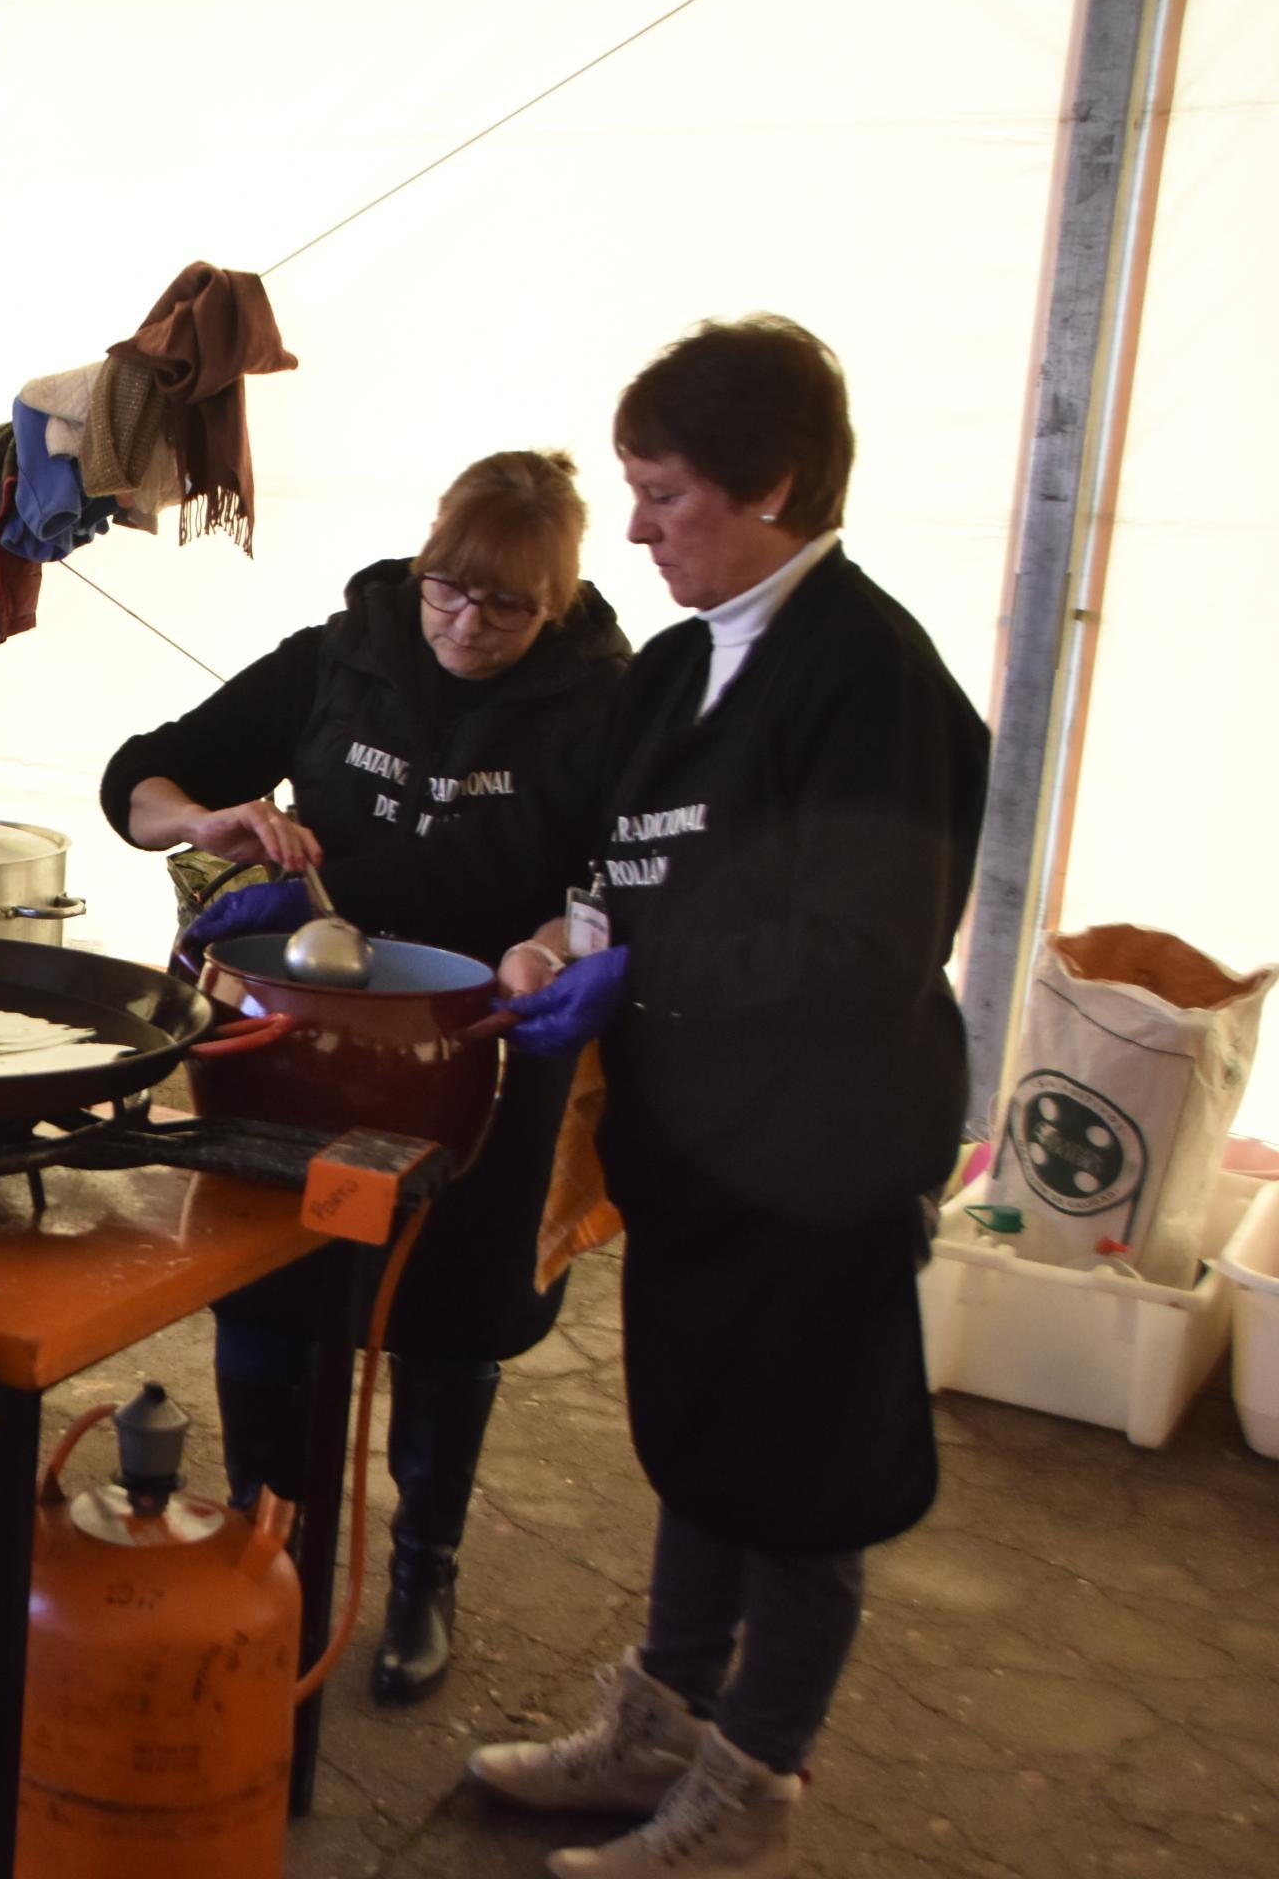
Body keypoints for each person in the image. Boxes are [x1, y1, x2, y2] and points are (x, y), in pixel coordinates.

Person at [468, 318, 988, 1878]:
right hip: (699, 1147)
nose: (632, 528)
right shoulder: (685, 662)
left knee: (803, 1479)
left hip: (821, 1158)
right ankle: (657, 1723)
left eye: (663, 494)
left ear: (770, 484)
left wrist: (650, 976)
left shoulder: (874, 682)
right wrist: (568, 933)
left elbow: (864, 949)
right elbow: (619, 865)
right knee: (700, 1439)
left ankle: (753, 1783)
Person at [100, 450, 627, 1704]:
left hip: (488, 1051)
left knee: (457, 1314)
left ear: (556, 602)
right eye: (448, 588)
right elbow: (140, 778)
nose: (464, 624)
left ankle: (423, 1576)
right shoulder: (347, 651)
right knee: (269, 1295)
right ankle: (266, 1554)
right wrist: (209, 823)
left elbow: (632, 880)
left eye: (505, 607)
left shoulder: (610, 701)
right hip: (302, 1048)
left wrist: (561, 942)